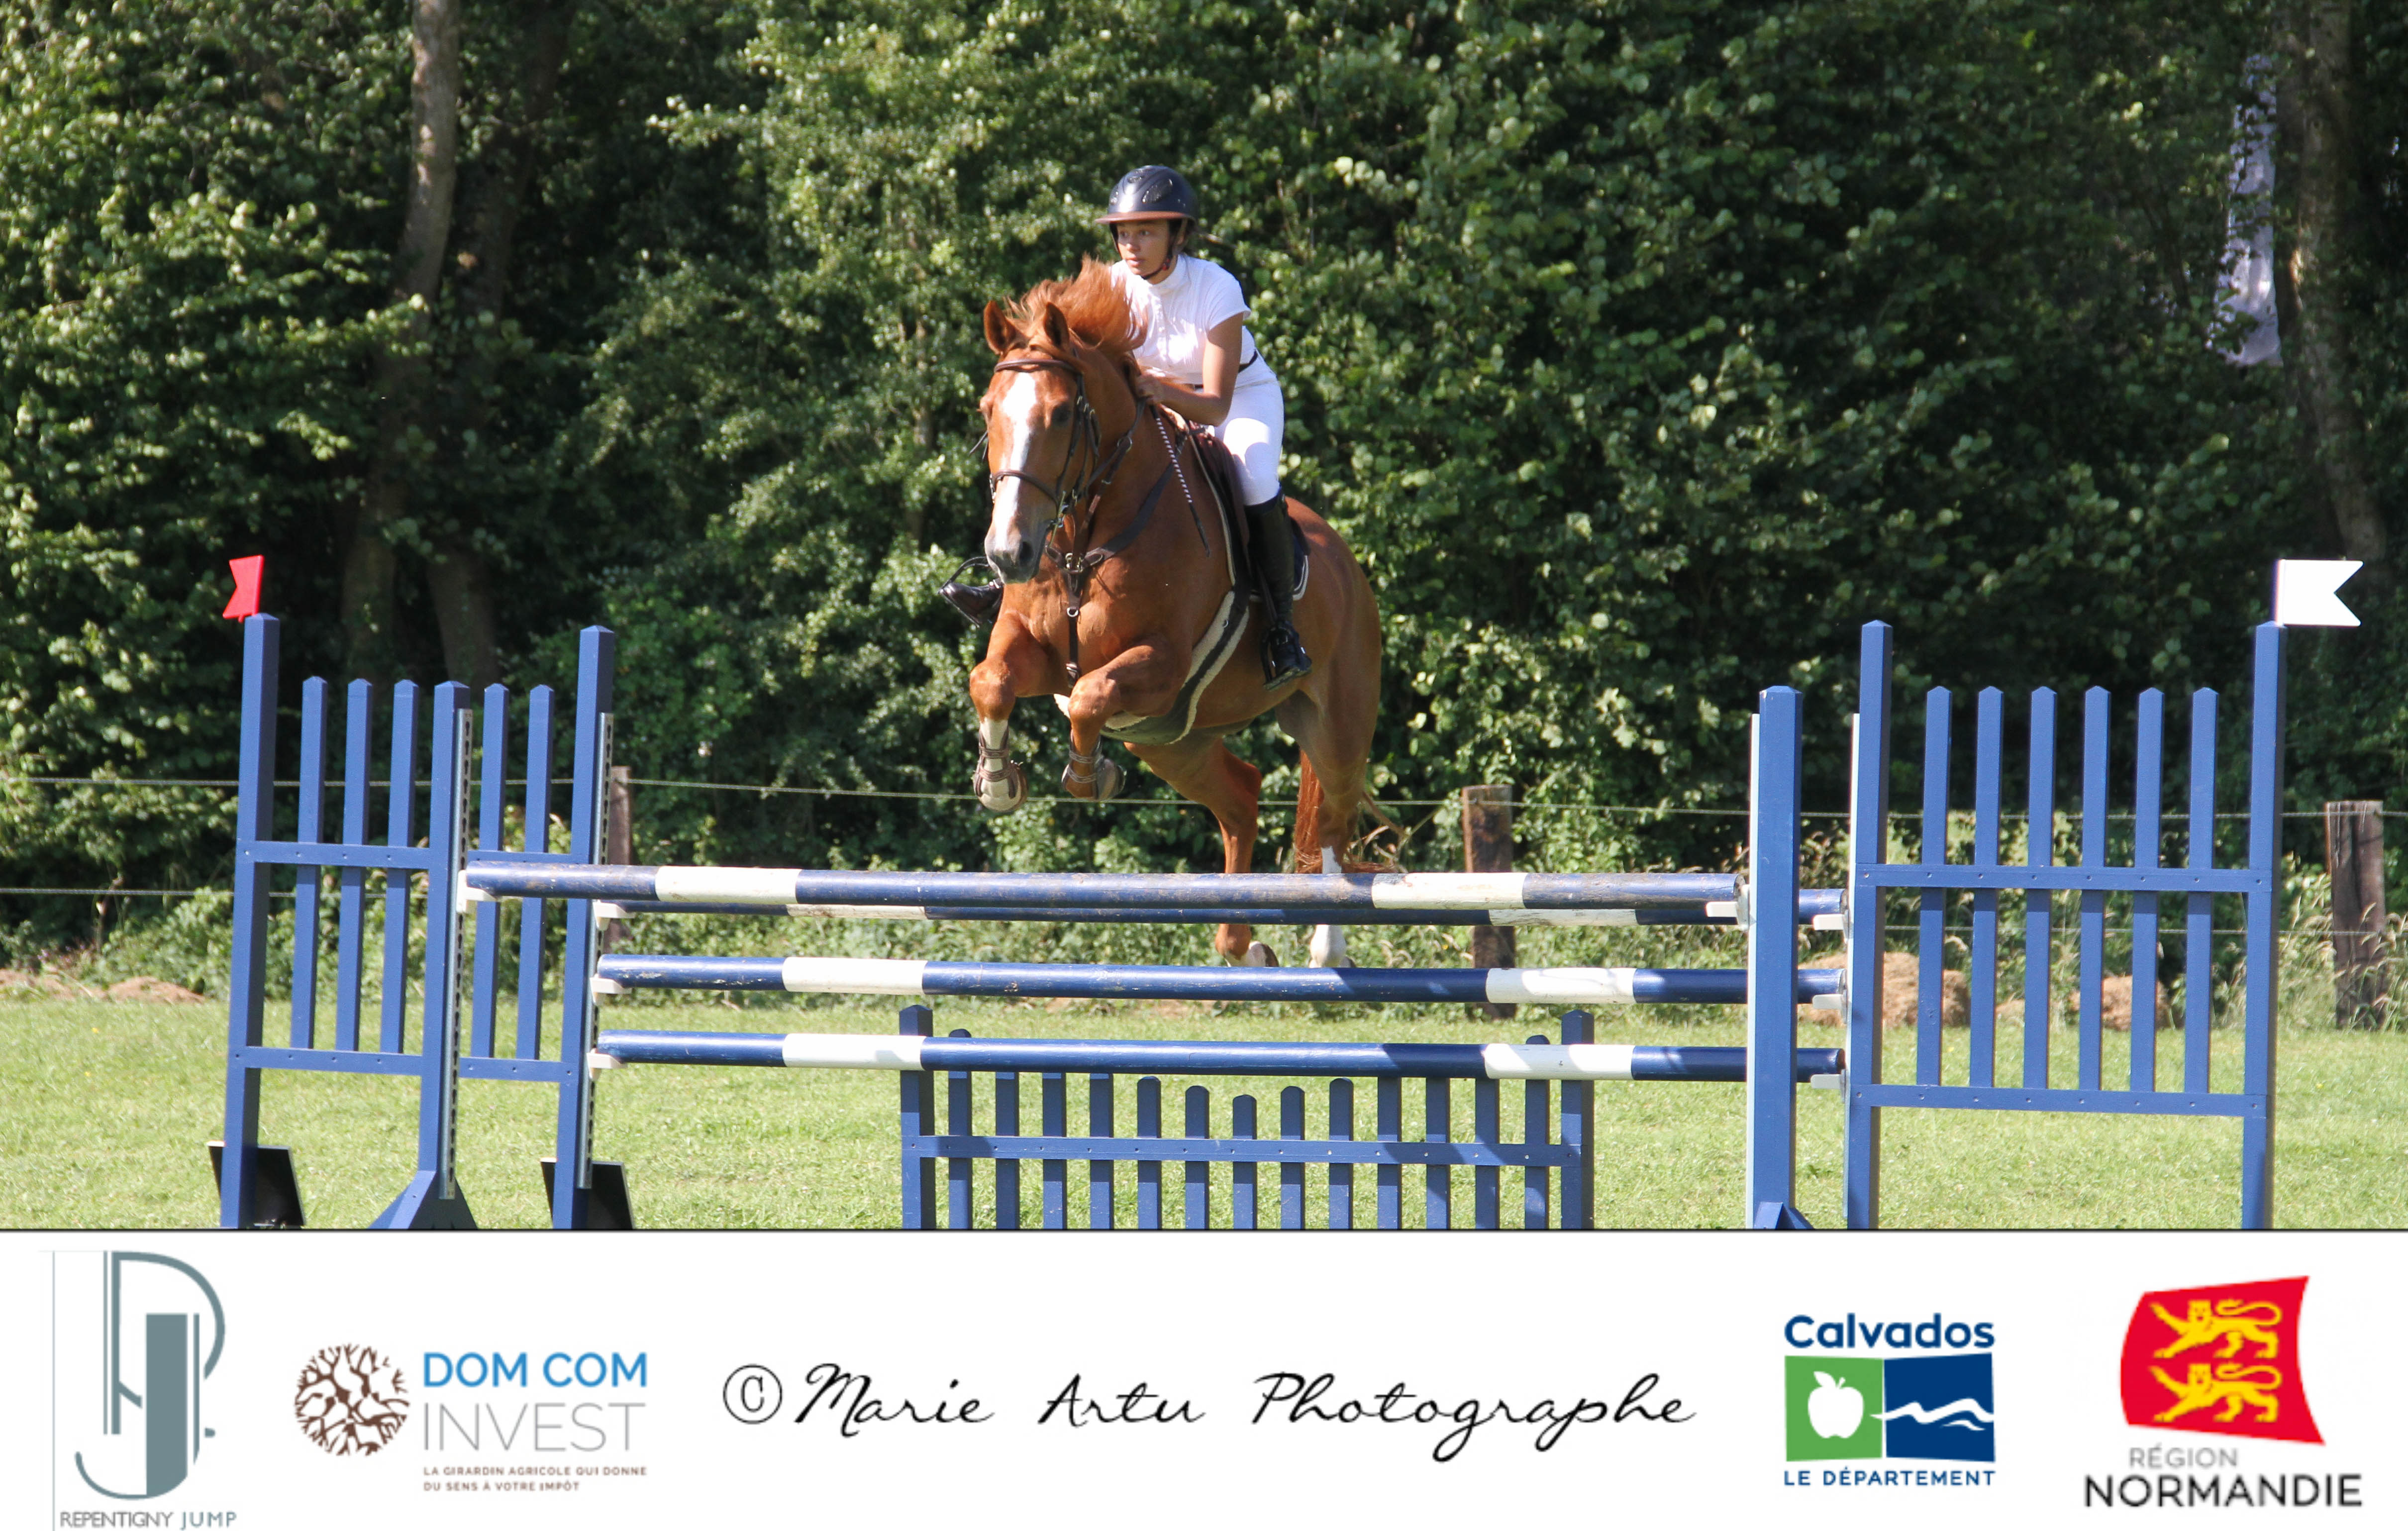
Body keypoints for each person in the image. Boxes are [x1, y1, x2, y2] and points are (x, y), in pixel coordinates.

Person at [1098, 166, 1310, 685]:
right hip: (1155, 405)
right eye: (1123, 233)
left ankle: (1282, 629)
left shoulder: (1217, 287)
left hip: (1239, 400)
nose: (1131, 245)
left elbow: (1215, 406)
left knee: (1254, 478)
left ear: (1179, 234)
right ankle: (1009, 586)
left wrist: (1160, 392)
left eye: (1146, 232)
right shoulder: (1110, 285)